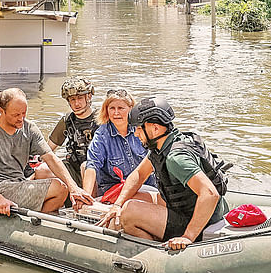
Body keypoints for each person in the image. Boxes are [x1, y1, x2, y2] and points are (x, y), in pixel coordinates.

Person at [98, 97, 229, 250]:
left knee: (129, 213)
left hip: (199, 222)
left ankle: (159, 253)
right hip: (187, 209)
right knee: (131, 198)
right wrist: (117, 205)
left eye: (139, 128)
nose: (135, 134)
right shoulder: (166, 144)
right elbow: (139, 175)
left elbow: (210, 194)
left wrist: (188, 236)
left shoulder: (176, 158)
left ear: (155, 128)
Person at [0, 88, 94, 216]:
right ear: (2, 111)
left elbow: (51, 158)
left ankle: (34, 221)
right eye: (16, 115)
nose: (21, 118)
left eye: (24, 113)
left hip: (20, 182)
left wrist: (74, 188)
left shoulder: (29, 128)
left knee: (63, 188)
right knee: (59, 188)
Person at [83, 89, 158, 202]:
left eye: (121, 108)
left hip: (146, 187)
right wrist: (86, 197)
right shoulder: (101, 134)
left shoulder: (143, 130)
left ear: (131, 109)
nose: (116, 113)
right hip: (113, 190)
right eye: (112, 108)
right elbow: (92, 165)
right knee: (84, 165)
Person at [45, 77, 99, 187]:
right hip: (73, 168)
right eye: (72, 99)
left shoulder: (101, 118)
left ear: (89, 96)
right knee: (42, 171)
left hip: (97, 170)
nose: (76, 103)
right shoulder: (68, 120)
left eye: (79, 98)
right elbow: (48, 149)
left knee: (86, 166)